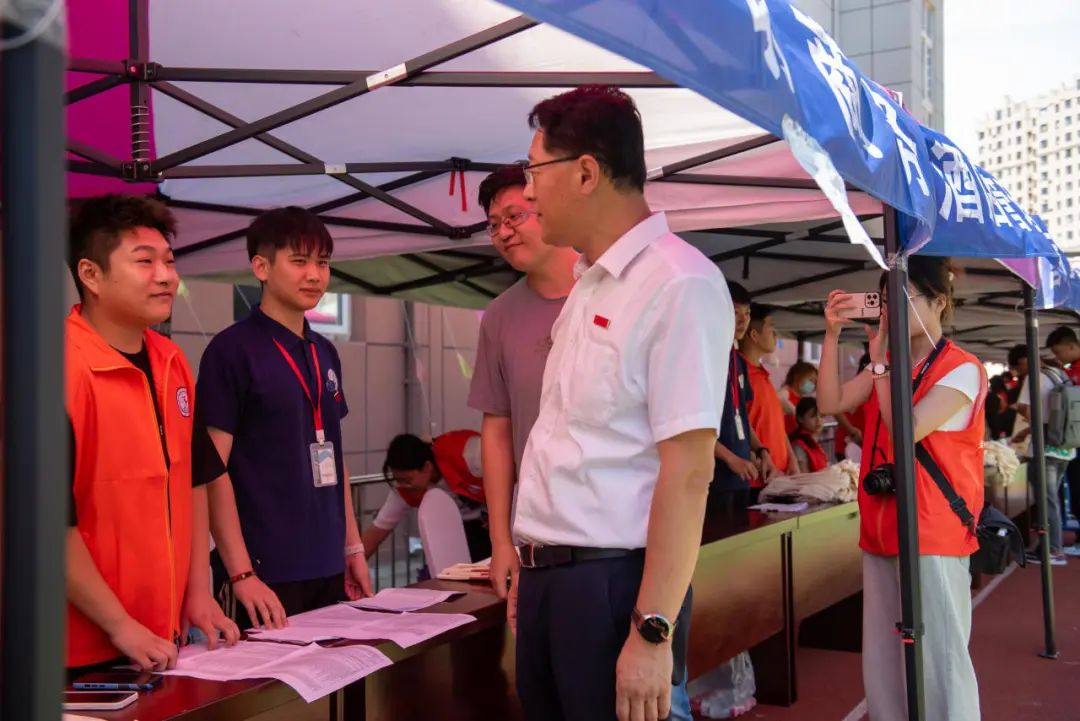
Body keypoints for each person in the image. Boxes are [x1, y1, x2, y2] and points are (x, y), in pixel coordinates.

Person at [512, 85, 732, 721]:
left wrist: (652, 629)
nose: (527, 193)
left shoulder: (679, 283)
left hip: (613, 586)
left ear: (586, 173)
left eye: (534, 171)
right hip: (552, 580)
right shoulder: (589, 283)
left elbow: (689, 472)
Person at [65, 194, 239, 674]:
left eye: (169, 261)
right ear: (91, 274)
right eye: (145, 262)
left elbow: (193, 481)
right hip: (84, 650)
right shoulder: (60, 368)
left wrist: (199, 592)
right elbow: (45, 524)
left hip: (164, 637)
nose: (166, 276)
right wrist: (119, 624)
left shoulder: (171, 361)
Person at [819, 256, 984, 721]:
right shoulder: (887, 365)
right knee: (884, 660)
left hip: (933, 532)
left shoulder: (962, 369)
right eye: (887, 299)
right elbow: (831, 402)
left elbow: (905, 428)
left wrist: (878, 365)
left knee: (941, 661)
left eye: (905, 298)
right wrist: (831, 336)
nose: (893, 308)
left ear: (940, 302)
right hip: (881, 525)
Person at [198, 207, 372, 631]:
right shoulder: (231, 351)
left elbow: (335, 455)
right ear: (261, 267)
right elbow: (211, 470)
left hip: (327, 564)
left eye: (323, 263)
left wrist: (352, 548)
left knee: (334, 670)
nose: (314, 275)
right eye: (299, 261)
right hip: (263, 571)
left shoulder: (324, 351)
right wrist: (241, 573)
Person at [467, 163, 578, 599]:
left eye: (514, 217)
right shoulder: (499, 316)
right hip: (536, 538)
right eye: (494, 224)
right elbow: (497, 429)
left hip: (617, 531)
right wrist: (500, 541)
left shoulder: (608, 291)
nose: (504, 232)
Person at [363, 431, 491, 562]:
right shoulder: (403, 491)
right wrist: (355, 564)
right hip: (460, 532)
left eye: (407, 480)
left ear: (427, 467)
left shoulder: (469, 455)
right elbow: (377, 531)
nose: (403, 485)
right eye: (398, 480)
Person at [711, 283, 778, 507]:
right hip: (713, 479)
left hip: (741, 477)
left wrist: (761, 451)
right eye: (735, 312)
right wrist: (730, 458)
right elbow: (694, 427)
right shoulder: (705, 357)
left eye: (747, 313)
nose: (743, 320)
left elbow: (741, 416)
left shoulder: (737, 361)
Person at [1012, 346, 1072, 566]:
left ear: (1023, 361)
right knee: (1051, 499)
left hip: (1044, 448)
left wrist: (1020, 412)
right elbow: (1048, 416)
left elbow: (1027, 409)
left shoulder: (1034, 377)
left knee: (1047, 500)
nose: (1018, 373)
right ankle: (1045, 547)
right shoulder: (1060, 374)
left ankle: (1054, 549)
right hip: (1064, 447)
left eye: (1018, 367)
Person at [739, 304, 799, 476]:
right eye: (771, 329)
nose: (775, 335)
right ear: (754, 335)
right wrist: (758, 459)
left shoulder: (763, 375)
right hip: (758, 476)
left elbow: (777, 425)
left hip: (780, 474)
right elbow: (737, 428)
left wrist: (792, 458)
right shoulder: (739, 374)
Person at [833, 353, 871, 462]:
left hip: (864, 447)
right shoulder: (856, 387)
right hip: (850, 447)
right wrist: (852, 431)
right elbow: (835, 409)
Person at [789, 397, 828, 474]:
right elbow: (803, 476)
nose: (818, 420)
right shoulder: (798, 445)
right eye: (813, 416)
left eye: (821, 416)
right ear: (800, 418)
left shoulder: (812, 441)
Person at [780, 360, 818, 434]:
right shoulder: (786, 391)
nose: (812, 385)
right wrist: (794, 411)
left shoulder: (801, 399)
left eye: (814, 382)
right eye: (810, 380)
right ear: (797, 376)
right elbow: (779, 398)